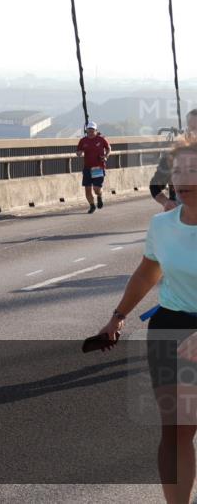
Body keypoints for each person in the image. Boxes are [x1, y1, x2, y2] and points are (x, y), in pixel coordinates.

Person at [97, 140, 197, 504]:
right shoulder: (162, 225)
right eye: (178, 171)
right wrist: (118, 316)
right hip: (171, 329)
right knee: (175, 431)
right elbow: (147, 272)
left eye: (192, 170)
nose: (183, 179)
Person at [151, 109, 197, 212]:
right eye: (192, 128)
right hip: (179, 220)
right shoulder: (172, 157)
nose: (194, 133)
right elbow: (154, 186)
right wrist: (166, 202)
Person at [76, 121, 110, 214]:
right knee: (87, 190)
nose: (90, 132)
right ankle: (92, 205)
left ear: (96, 130)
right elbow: (78, 151)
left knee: (96, 189)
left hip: (98, 167)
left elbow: (108, 148)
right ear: (86, 130)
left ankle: (99, 196)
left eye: (92, 130)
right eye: (89, 130)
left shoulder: (101, 139)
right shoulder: (83, 140)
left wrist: (106, 156)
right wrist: (79, 153)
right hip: (87, 168)